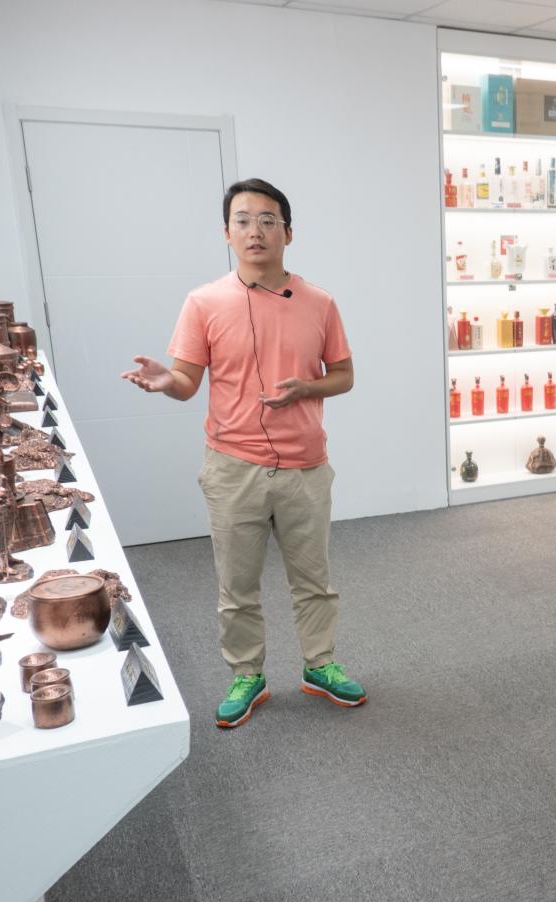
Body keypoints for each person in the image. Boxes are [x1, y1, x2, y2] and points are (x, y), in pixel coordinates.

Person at [121, 178, 360, 729]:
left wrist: (307, 389)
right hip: (232, 467)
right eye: (243, 220)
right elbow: (186, 382)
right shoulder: (203, 302)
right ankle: (247, 674)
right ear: (226, 233)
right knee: (237, 586)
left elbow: (344, 375)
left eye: (268, 220)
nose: (256, 231)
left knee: (314, 580)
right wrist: (167, 381)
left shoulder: (320, 303)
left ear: (288, 233)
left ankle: (320, 664)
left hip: (305, 465)